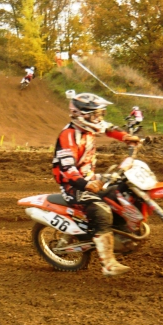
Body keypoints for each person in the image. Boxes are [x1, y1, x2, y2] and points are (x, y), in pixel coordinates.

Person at [52, 92, 141, 276]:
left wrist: (125, 137)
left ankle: (121, 232)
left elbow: (108, 128)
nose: (99, 118)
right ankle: (108, 264)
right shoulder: (68, 136)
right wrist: (86, 184)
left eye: (100, 114)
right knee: (102, 211)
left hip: (91, 177)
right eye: (96, 114)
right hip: (73, 186)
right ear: (82, 115)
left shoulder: (89, 127)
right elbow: (67, 169)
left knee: (123, 190)